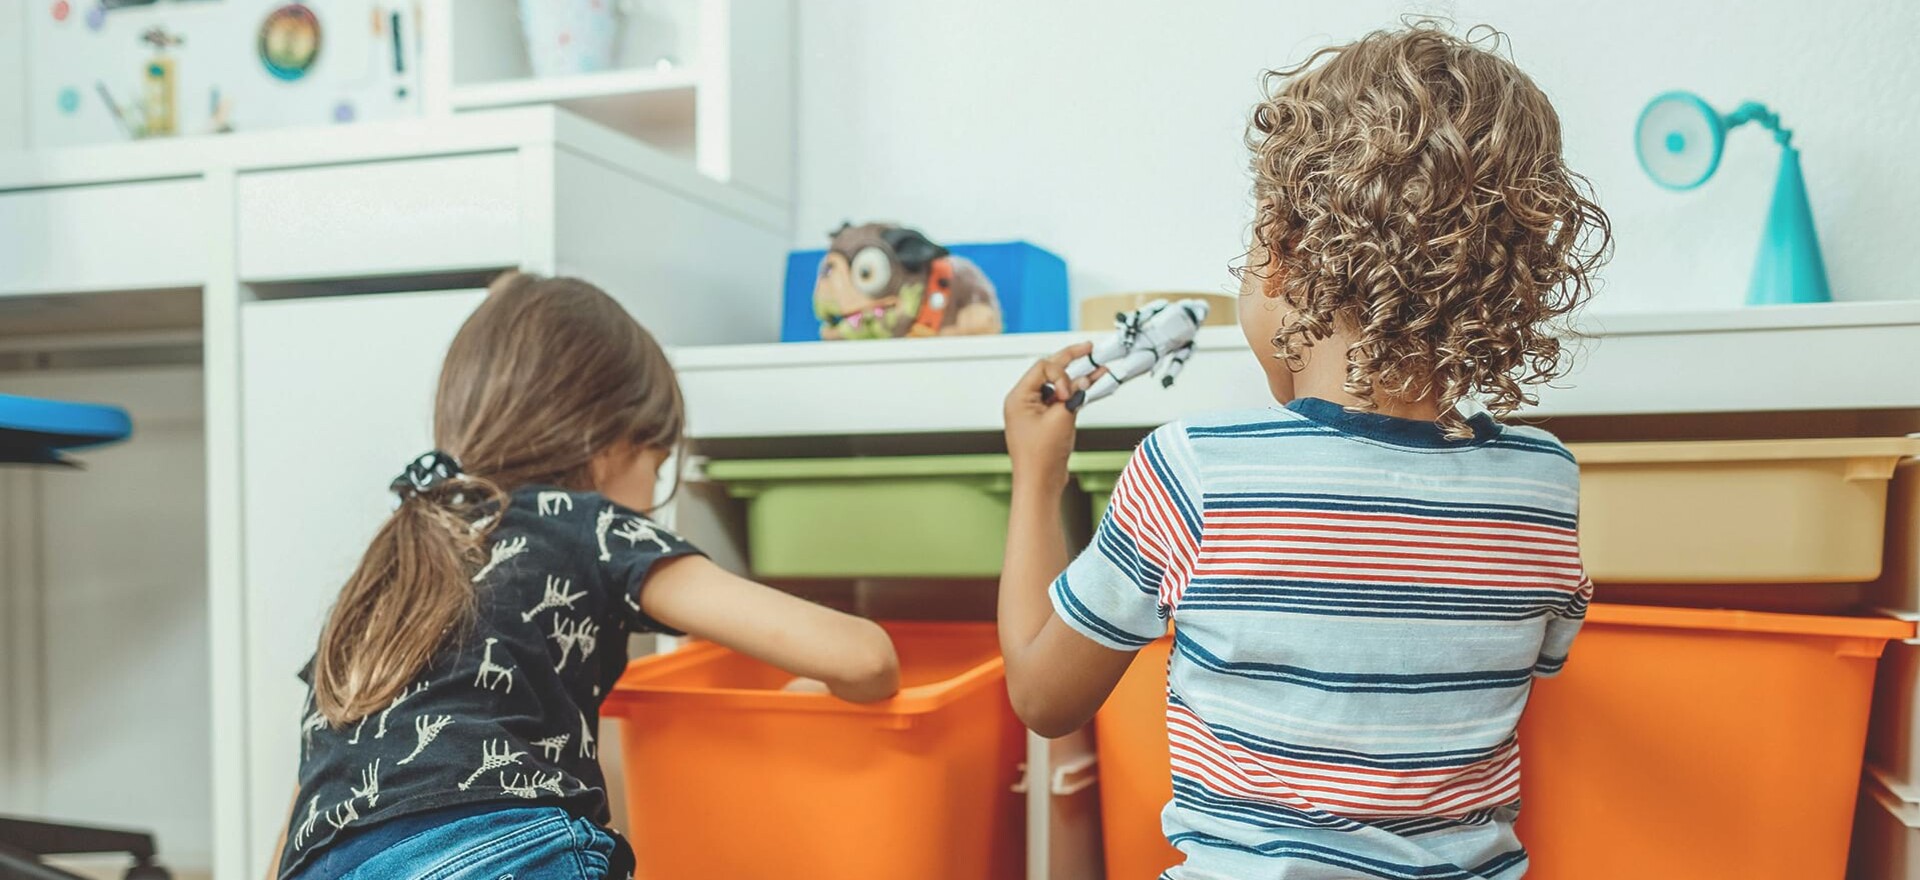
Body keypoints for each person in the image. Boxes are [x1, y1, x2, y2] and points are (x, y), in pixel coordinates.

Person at [998, 23, 1610, 879]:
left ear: (1281, 252)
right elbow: (1531, 662)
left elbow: (1041, 695)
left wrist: (1037, 477)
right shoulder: (1542, 483)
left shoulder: (1195, 472)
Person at [272, 272, 900, 880]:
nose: (650, 498)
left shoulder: (395, 562)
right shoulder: (582, 523)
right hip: (502, 854)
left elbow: (307, 801)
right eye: (655, 465)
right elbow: (865, 656)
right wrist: (813, 693)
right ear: (607, 446)